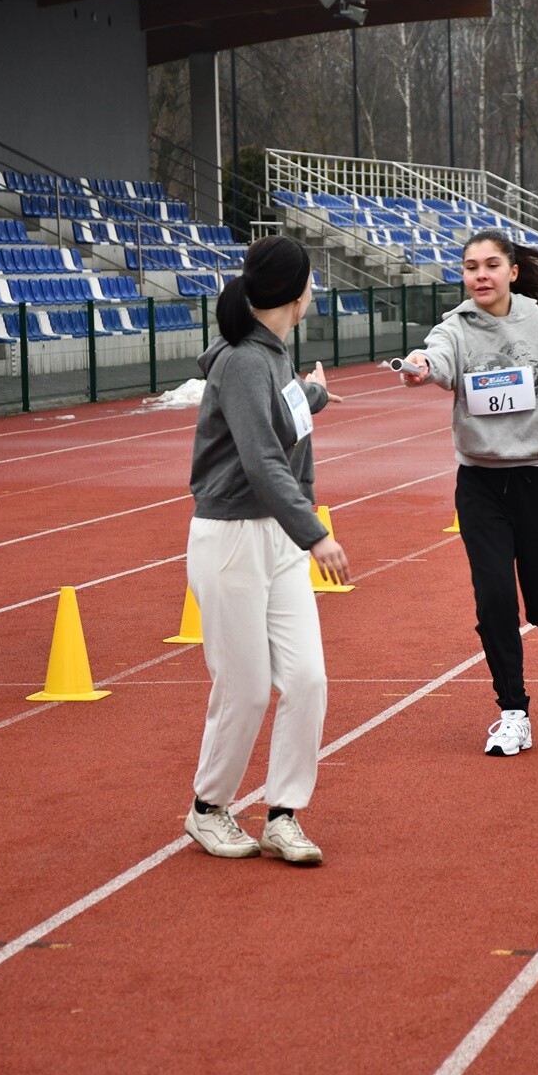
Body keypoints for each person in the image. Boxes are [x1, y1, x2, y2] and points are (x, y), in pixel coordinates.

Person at [400, 228, 538, 756]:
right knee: (493, 599)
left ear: (513, 272)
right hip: (482, 484)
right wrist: (422, 367)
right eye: (470, 267)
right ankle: (513, 711)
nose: (480, 275)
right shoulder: (455, 329)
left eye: (491, 265)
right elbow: (438, 358)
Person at [183, 234, 350, 863]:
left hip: (277, 537)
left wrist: (313, 394)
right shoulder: (246, 359)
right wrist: (318, 535)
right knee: (247, 687)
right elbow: (260, 459)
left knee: (307, 677)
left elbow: (277, 419)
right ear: (297, 291)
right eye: (313, 282)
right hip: (231, 539)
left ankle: (283, 814)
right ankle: (207, 808)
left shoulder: (275, 355)